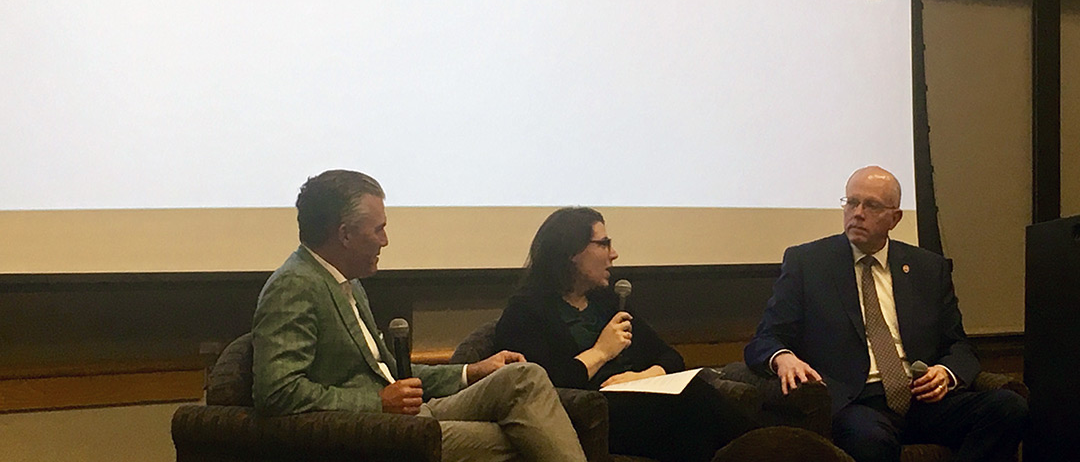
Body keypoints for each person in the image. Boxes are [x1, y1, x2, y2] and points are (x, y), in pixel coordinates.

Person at [252, 170, 587, 462]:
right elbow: (277, 392)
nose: (386, 240)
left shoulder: (345, 281)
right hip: (373, 433)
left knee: (524, 377)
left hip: (410, 416)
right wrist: (376, 403)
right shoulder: (294, 285)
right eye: (378, 230)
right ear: (344, 235)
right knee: (530, 437)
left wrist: (472, 372)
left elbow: (389, 370)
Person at [744, 166, 1027, 462]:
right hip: (858, 402)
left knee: (1008, 408)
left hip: (922, 398)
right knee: (870, 439)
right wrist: (783, 357)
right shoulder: (809, 263)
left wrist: (946, 373)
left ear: (895, 217)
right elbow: (766, 338)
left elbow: (958, 345)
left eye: (872, 205)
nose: (858, 213)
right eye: (851, 202)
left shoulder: (928, 268)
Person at [494, 206, 753, 462]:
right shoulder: (526, 312)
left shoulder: (607, 301)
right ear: (572, 253)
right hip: (593, 417)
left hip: (639, 401)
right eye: (603, 244)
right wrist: (600, 352)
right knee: (695, 405)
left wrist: (642, 376)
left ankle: (768, 444)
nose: (613, 254)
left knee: (695, 407)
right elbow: (538, 387)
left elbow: (670, 356)